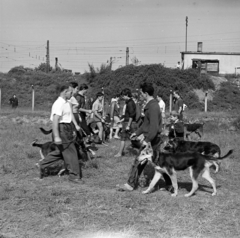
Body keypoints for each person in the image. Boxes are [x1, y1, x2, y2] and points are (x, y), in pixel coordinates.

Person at [117, 82, 173, 192]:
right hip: (152, 138)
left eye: (141, 93)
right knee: (159, 163)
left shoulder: (153, 106)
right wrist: (137, 133)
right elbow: (145, 124)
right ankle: (170, 185)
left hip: (152, 139)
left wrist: (147, 141)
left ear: (146, 93)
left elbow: (154, 127)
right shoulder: (150, 105)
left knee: (139, 161)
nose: (140, 95)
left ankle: (130, 184)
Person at [39, 83, 83, 183]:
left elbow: (70, 116)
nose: (72, 94)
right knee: (71, 152)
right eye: (70, 92)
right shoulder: (58, 103)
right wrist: (57, 136)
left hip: (67, 128)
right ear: (65, 92)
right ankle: (74, 176)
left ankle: (42, 164)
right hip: (62, 129)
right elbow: (55, 120)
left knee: (61, 152)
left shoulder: (66, 102)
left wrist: (74, 126)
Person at [114, 88, 137, 157]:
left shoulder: (130, 103)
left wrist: (128, 125)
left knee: (123, 138)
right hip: (128, 122)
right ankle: (121, 153)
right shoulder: (130, 102)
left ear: (127, 95)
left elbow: (131, 114)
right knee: (134, 138)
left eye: (123, 96)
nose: (122, 97)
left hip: (128, 123)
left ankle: (120, 153)